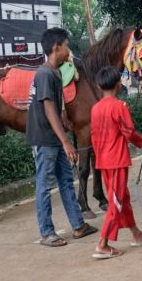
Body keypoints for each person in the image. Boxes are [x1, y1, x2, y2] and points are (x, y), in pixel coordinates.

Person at [26, 27, 97, 247]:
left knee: (66, 180)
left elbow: (55, 108)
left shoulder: (55, 73)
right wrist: (67, 142)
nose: (69, 49)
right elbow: (48, 110)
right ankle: (47, 232)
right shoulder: (45, 74)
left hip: (54, 136)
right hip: (45, 138)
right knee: (44, 184)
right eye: (67, 45)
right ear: (57, 47)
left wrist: (64, 119)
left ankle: (78, 225)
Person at [91, 66, 142, 259]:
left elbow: (94, 136)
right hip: (117, 160)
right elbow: (129, 132)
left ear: (99, 86)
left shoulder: (95, 108)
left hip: (103, 161)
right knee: (117, 202)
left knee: (122, 198)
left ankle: (137, 234)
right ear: (119, 85)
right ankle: (103, 244)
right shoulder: (120, 107)